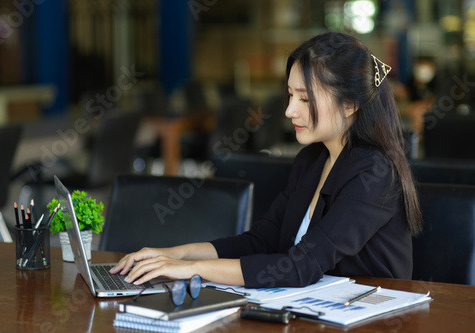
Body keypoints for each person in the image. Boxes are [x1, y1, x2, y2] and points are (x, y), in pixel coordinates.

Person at [110, 32, 422, 288]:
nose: (289, 111)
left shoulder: (374, 173)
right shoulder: (311, 160)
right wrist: (175, 255)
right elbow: (261, 241)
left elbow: (303, 266)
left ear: (350, 104)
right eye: (290, 95)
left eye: (304, 98)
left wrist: (193, 269)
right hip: (317, 312)